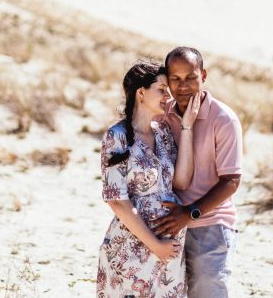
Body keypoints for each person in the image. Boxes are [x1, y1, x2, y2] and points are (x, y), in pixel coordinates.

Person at [97, 61, 201, 298]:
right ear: (141, 93)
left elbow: (182, 182)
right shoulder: (117, 136)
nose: (168, 96)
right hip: (132, 248)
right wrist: (155, 245)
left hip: (169, 248)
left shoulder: (163, 133)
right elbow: (117, 201)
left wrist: (186, 129)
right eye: (162, 90)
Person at [152, 47, 244, 298]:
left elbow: (231, 181)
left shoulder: (224, 119)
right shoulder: (162, 115)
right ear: (167, 80)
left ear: (203, 75)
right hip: (168, 224)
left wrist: (189, 214)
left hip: (211, 226)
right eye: (175, 79)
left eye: (191, 77)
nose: (183, 86)